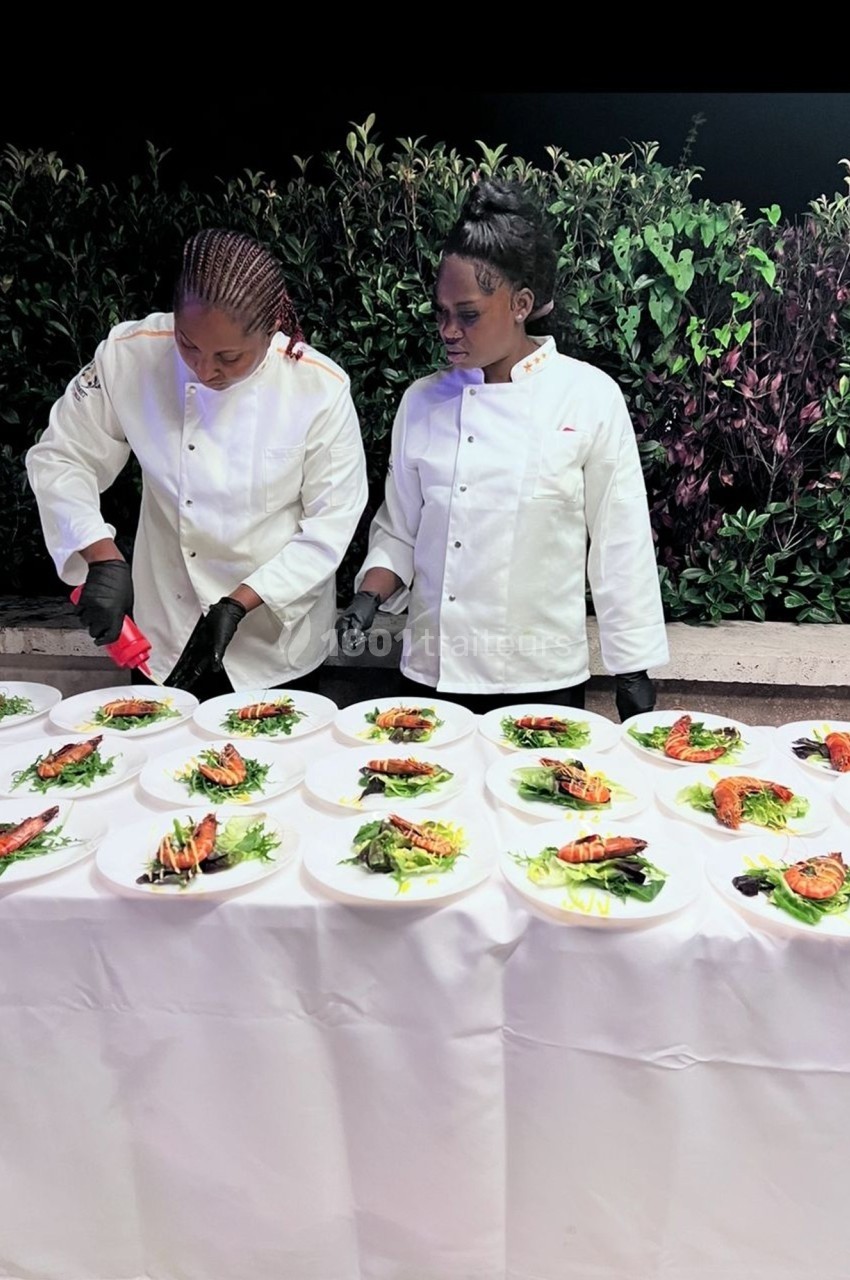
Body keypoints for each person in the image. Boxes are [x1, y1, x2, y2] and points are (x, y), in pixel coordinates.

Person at [337, 179, 668, 721]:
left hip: (543, 682)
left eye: (466, 315)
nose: (447, 330)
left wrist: (632, 672)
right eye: (440, 312)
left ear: (520, 304)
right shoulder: (421, 401)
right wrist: (367, 599)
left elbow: (619, 543)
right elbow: (400, 529)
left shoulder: (587, 396)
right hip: (434, 674)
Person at [26, 227, 368, 697]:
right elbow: (62, 456)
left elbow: (331, 525)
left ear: (272, 330)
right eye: (188, 345)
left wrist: (238, 602)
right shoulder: (129, 355)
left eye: (229, 357)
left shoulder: (319, 389)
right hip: (163, 631)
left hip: (272, 640)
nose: (205, 370)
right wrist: (99, 555)